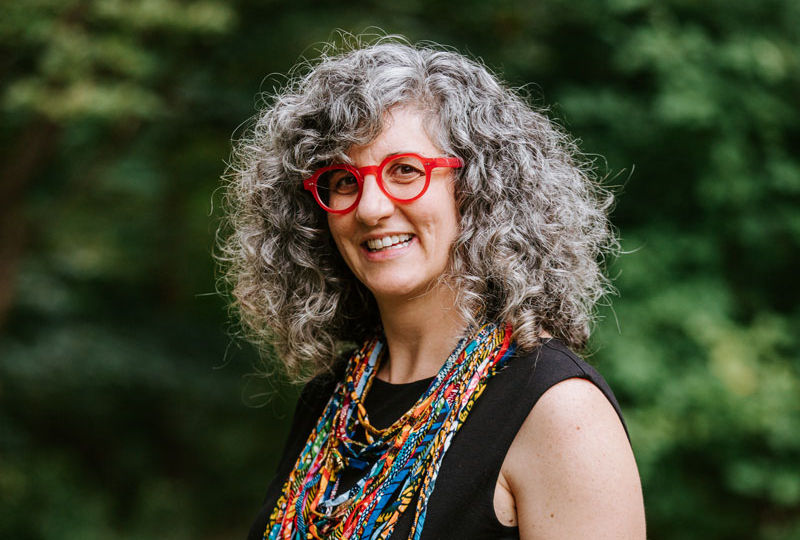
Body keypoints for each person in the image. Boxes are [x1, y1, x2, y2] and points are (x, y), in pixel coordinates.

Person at [220, 36, 646, 539]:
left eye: (405, 171)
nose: (371, 208)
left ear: (480, 188)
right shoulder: (331, 400)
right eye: (344, 180)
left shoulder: (559, 411)